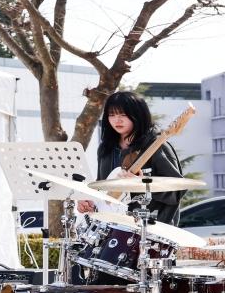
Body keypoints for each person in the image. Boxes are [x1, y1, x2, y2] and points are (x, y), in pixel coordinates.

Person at [76, 90, 185, 226]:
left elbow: (177, 191)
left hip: (150, 228)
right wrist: (89, 201)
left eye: (123, 114)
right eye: (112, 115)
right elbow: (103, 185)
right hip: (112, 227)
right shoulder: (106, 149)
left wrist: (143, 185)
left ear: (138, 116)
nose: (117, 120)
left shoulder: (157, 147)